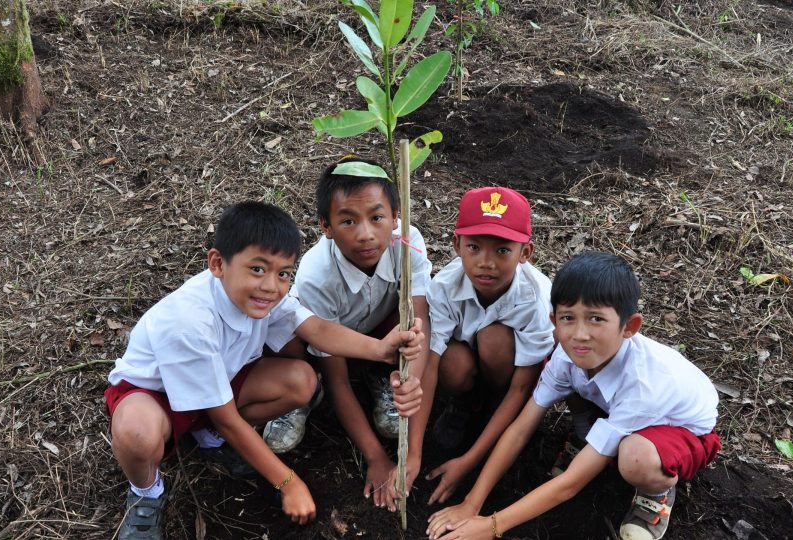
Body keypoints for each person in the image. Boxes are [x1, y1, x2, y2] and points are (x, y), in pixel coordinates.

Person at [105, 201, 424, 540]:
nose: (271, 286)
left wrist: (379, 349)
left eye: (284, 273)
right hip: (156, 396)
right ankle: (146, 493)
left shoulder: (265, 298)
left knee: (301, 381)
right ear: (217, 263)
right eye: (257, 269)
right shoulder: (189, 323)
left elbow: (317, 329)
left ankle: (206, 435)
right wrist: (288, 482)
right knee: (138, 433)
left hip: (218, 385)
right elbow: (228, 418)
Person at [426, 251, 721, 540]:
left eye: (596, 319)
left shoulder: (642, 386)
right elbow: (520, 428)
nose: (580, 334)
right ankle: (592, 439)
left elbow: (570, 485)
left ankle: (656, 492)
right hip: (616, 407)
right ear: (554, 320)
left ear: (629, 326)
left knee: (635, 458)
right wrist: (472, 503)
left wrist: (491, 526)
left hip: (686, 432)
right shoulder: (567, 357)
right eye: (568, 318)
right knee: (574, 379)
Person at [263, 157, 434, 512]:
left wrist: (411, 382)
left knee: (393, 417)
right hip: (331, 343)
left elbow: (420, 318)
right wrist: (374, 457)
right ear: (326, 226)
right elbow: (339, 378)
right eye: (348, 221)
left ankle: (382, 378)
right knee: (288, 338)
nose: (366, 234)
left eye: (377, 217)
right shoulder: (316, 275)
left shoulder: (408, 243)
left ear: (396, 215)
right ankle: (306, 395)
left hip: (382, 335)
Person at [423, 186, 555, 506]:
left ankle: (494, 413)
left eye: (502, 250)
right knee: (450, 362)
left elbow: (523, 388)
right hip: (467, 367)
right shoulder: (443, 287)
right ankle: (465, 406)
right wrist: (413, 453)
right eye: (474, 247)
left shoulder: (536, 299)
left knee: (493, 338)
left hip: (507, 380)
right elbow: (430, 361)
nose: (486, 263)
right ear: (457, 246)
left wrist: (468, 460)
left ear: (525, 253)